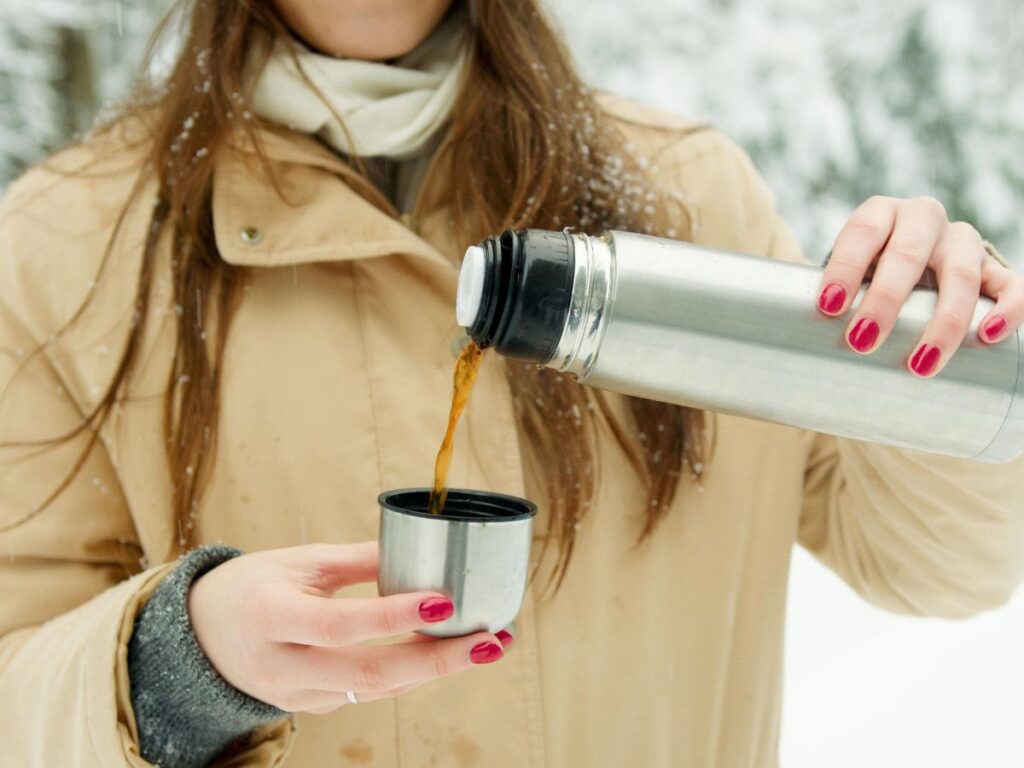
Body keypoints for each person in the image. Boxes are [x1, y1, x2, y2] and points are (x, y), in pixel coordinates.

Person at [1, 0, 1022, 766]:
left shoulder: (689, 204)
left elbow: (937, 569)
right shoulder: (69, 245)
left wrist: (937, 363)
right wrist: (177, 660)